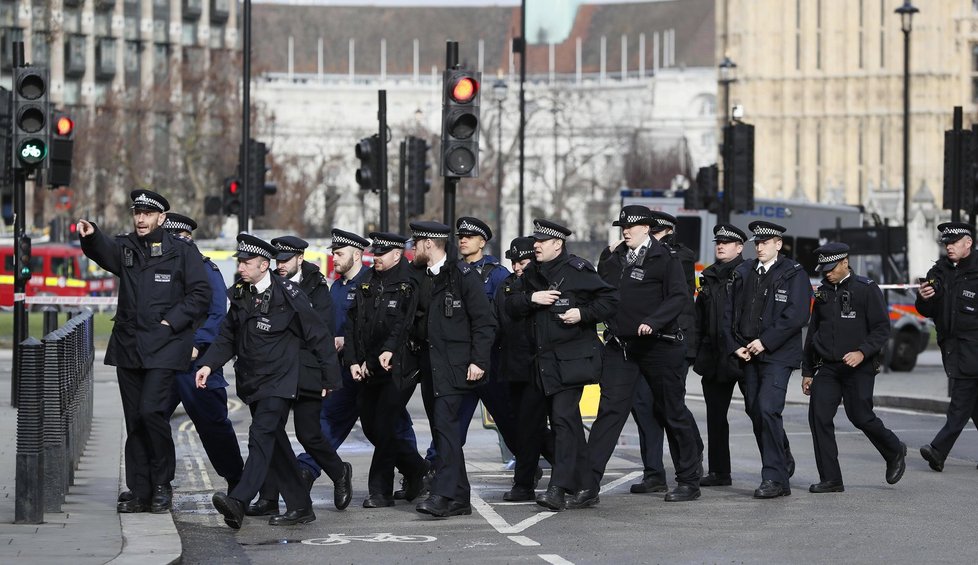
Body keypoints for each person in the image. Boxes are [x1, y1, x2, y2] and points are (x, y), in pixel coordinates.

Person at [78, 190, 210, 514]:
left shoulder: (182, 252)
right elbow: (105, 251)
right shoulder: (127, 247)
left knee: (152, 411)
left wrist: (169, 324)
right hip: (129, 348)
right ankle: (140, 490)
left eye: (147, 214)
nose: (140, 219)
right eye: (137, 212)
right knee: (135, 419)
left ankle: (162, 483)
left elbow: (200, 294)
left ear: (161, 218)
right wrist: (92, 235)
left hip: (165, 347)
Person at [196, 234, 341, 529]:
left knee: (260, 435)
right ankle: (301, 506)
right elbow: (228, 335)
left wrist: (329, 377)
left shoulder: (288, 294)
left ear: (264, 265)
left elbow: (318, 335)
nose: (241, 268)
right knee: (275, 443)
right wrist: (209, 365)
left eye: (246, 263)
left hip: (281, 380)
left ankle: (238, 500)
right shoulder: (240, 293)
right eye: (240, 262)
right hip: (253, 381)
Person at [586, 206, 701, 505]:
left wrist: (654, 321)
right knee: (610, 413)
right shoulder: (614, 260)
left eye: (632, 226)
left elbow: (679, 296)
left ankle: (689, 479)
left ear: (647, 228)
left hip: (659, 346)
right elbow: (600, 294)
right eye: (623, 226)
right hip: (621, 347)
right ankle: (587, 486)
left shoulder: (665, 258)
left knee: (671, 411)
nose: (626, 230)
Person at [296, 229, 419, 498]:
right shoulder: (337, 287)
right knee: (335, 419)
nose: (334, 258)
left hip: (374, 369)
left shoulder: (373, 281)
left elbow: (386, 327)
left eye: (339, 254)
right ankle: (307, 469)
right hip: (345, 368)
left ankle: (414, 471)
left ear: (356, 254)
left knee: (390, 425)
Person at [506, 219, 618, 511]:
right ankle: (586, 485)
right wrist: (532, 298)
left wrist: (582, 313)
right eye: (536, 241)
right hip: (540, 363)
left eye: (542, 241)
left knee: (563, 421)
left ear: (558, 244)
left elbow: (610, 299)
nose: (536, 246)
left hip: (570, 362)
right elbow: (511, 305)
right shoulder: (531, 274)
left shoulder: (578, 270)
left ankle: (558, 487)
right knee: (549, 423)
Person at [243, 236, 352, 517]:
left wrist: (328, 378)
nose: (280, 266)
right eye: (277, 261)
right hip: (278, 374)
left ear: (299, 259)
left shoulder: (317, 288)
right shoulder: (269, 286)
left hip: (307, 372)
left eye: (285, 261)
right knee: (270, 433)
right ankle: (269, 497)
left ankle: (339, 472)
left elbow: (322, 332)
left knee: (308, 434)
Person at [802, 242, 906, 492]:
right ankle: (831, 479)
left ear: (845, 262)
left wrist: (862, 352)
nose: (826, 273)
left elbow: (882, 329)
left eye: (831, 268)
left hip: (859, 366)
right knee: (819, 417)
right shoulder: (823, 292)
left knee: (860, 416)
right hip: (827, 367)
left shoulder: (866, 289)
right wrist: (807, 371)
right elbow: (813, 331)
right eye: (823, 269)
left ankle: (894, 450)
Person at [410, 221, 497, 518]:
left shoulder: (461, 275)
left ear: (429, 245)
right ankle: (460, 498)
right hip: (430, 368)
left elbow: (484, 322)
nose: (413, 248)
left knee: (446, 432)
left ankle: (442, 494)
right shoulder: (422, 277)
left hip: (456, 368)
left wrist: (478, 361)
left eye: (416, 242)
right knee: (442, 430)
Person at [724, 221, 812, 499]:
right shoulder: (744, 271)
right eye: (757, 243)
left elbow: (797, 315)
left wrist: (766, 341)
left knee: (767, 409)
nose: (759, 247)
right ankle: (782, 456)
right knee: (756, 411)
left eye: (765, 242)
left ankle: (775, 478)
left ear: (778, 244)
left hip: (778, 355)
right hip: (749, 354)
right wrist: (735, 345)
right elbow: (730, 312)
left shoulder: (793, 273)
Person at [160, 213, 243, 494]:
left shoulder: (205, 269)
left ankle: (236, 478)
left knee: (212, 424)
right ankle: (158, 483)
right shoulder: (160, 267)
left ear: (186, 238)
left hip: (197, 361)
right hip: (163, 358)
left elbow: (218, 312)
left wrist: (197, 344)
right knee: (151, 419)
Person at [345, 232, 429, 508]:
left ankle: (379, 491)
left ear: (397, 254)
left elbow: (403, 324)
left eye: (381, 254)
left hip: (400, 366)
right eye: (375, 254)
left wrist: (389, 350)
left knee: (385, 423)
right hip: (369, 367)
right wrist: (354, 360)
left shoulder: (409, 282)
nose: (376, 258)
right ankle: (417, 469)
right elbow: (354, 324)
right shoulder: (367, 281)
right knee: (371, 425)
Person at [497, 236, 555, 501]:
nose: (518, 266)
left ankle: (524, 484)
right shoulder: (507, 286)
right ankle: (575, 468)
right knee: (525, 428)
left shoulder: (545, 285)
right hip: (511, 366)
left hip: (538, 367)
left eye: (523, 261)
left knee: (532, 427)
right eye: (514, 261)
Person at [917, 222, 978, 472]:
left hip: (973, 346)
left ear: (968, 243)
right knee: (974, 404)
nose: (949, 247)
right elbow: (926, 310)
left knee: (961, 399)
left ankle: (938, 450)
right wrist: (924, 297)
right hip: (951, 346)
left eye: (954, 243)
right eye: (946, 243)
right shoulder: (939, 270)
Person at [693, 223, 747, 487]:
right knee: (715, 415)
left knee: (759, 411)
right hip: (714, 354)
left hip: (743, 353)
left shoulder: (747, 273)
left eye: (726, 243)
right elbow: (699, 317)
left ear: (740, 248)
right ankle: (719, 471)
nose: (720, 246)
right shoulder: (710, 275)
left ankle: (781, 457)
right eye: (718, 243)